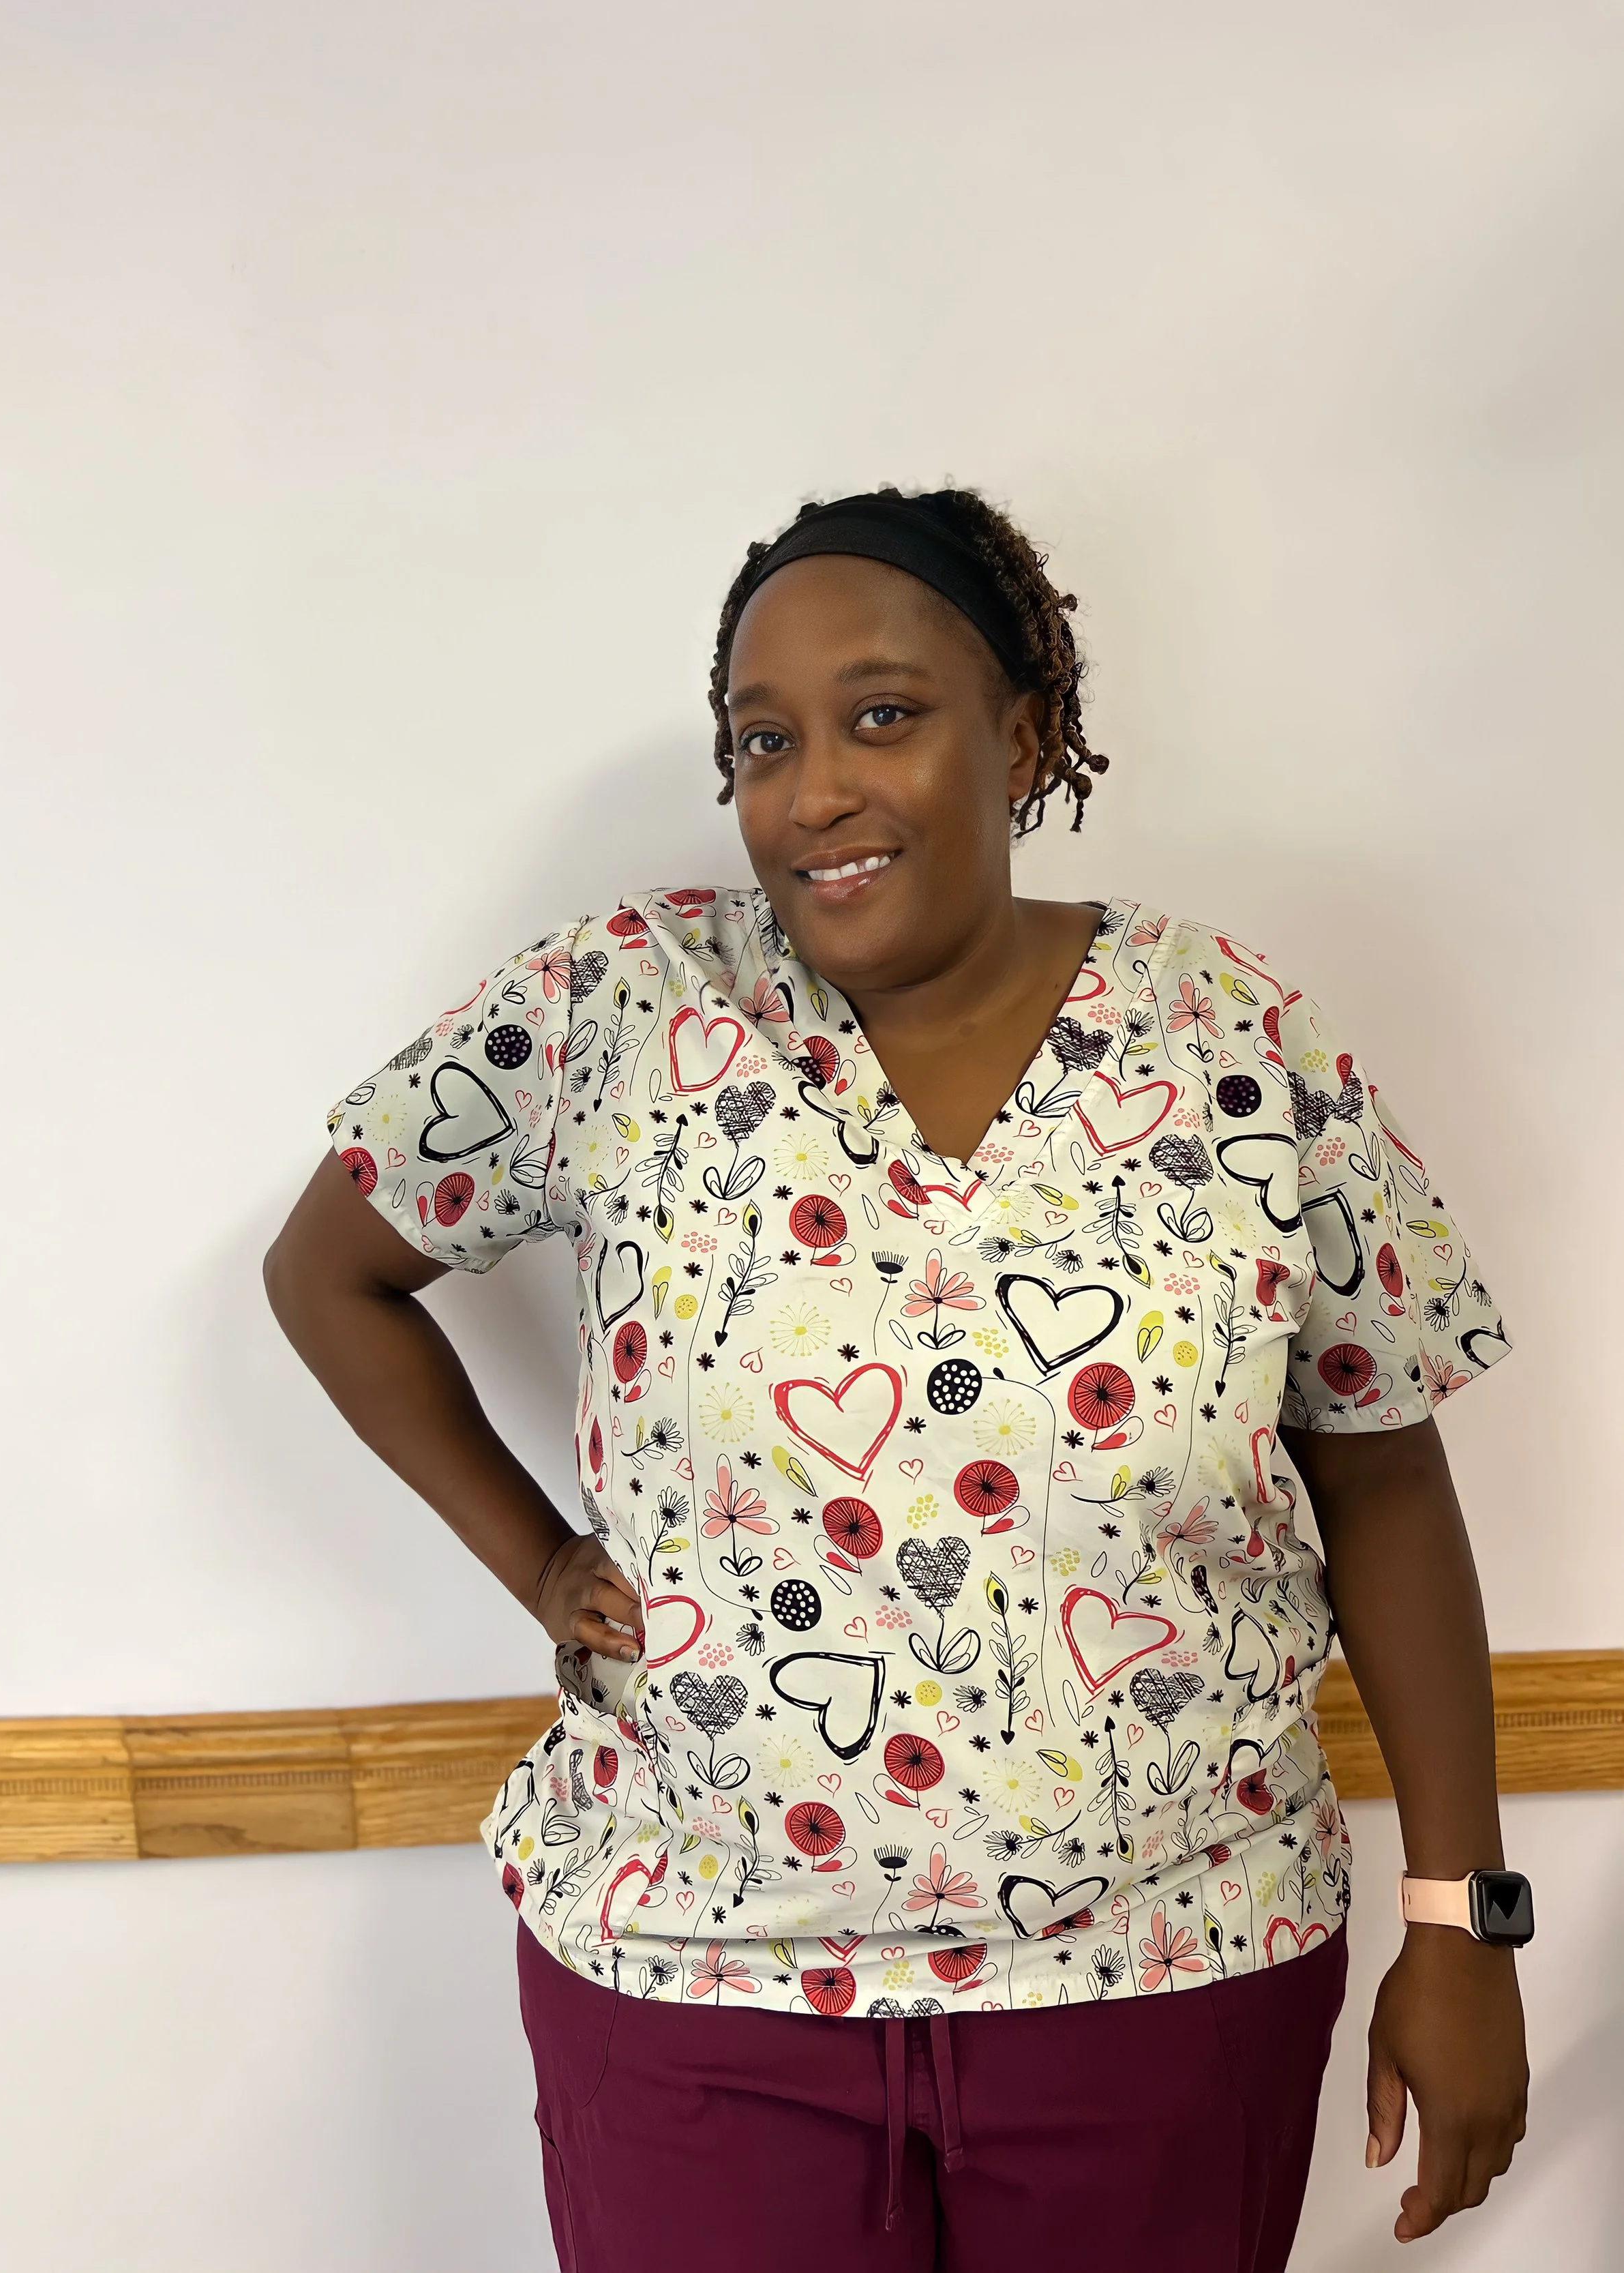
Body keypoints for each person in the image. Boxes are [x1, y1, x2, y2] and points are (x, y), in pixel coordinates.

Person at [264, 488, 1530, 2272]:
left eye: (882, 716)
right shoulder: (619, 1010)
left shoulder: (1228, 1044)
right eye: (761, 740)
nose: (814, 791)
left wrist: (1460, 1920)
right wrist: (538, 1560)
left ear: (1023, 736)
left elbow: (1382, 1468)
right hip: (697, 1980)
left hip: (1167, 1974)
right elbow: (326, 1270)